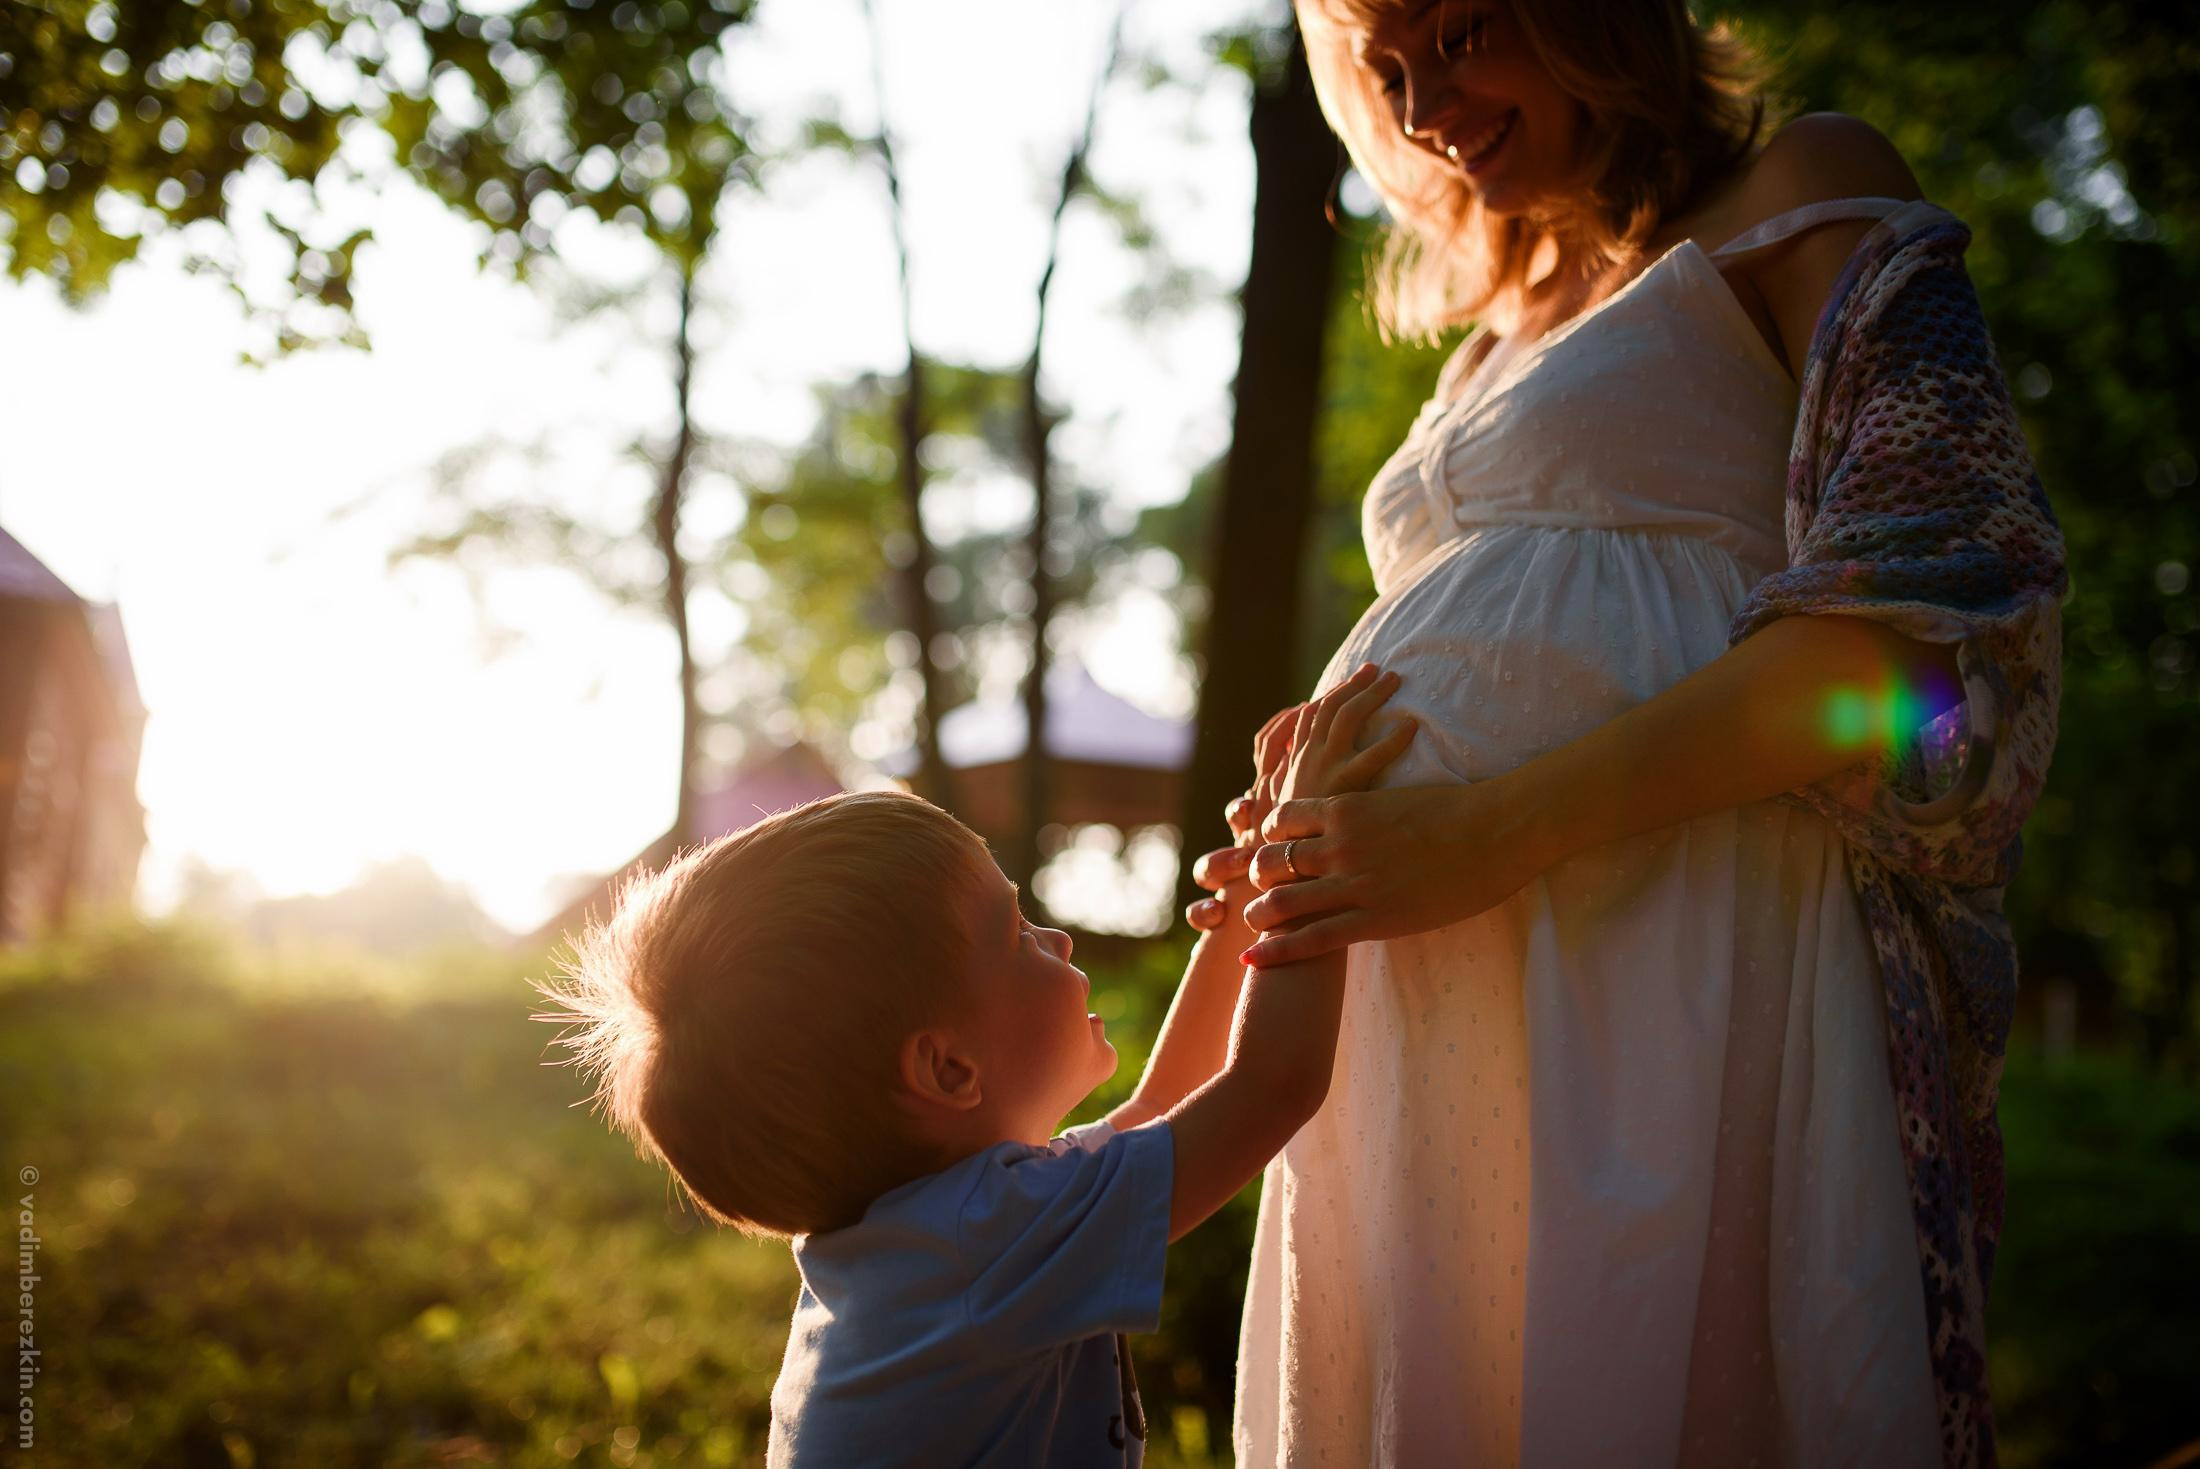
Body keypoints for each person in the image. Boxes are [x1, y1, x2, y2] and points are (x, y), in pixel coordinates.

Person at [1183, 2, 2066, 1465]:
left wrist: (1488, 827)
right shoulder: (1487, 343)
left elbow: (1926, 636)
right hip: (1427, 1025)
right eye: (1388, 71)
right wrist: (1315, 805)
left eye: (1460, 36)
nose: (1422, 109)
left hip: (1694, 960)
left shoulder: (1802, 191)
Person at [535, 666, 1415, 1467]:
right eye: (1016, 932)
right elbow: (1272, 1084)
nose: (1060, 936)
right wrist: (1312, 858)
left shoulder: (948, 1232)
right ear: (949, 1070)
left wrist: (1245, 899)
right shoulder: (984, 1240)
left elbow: (1163, 1102)